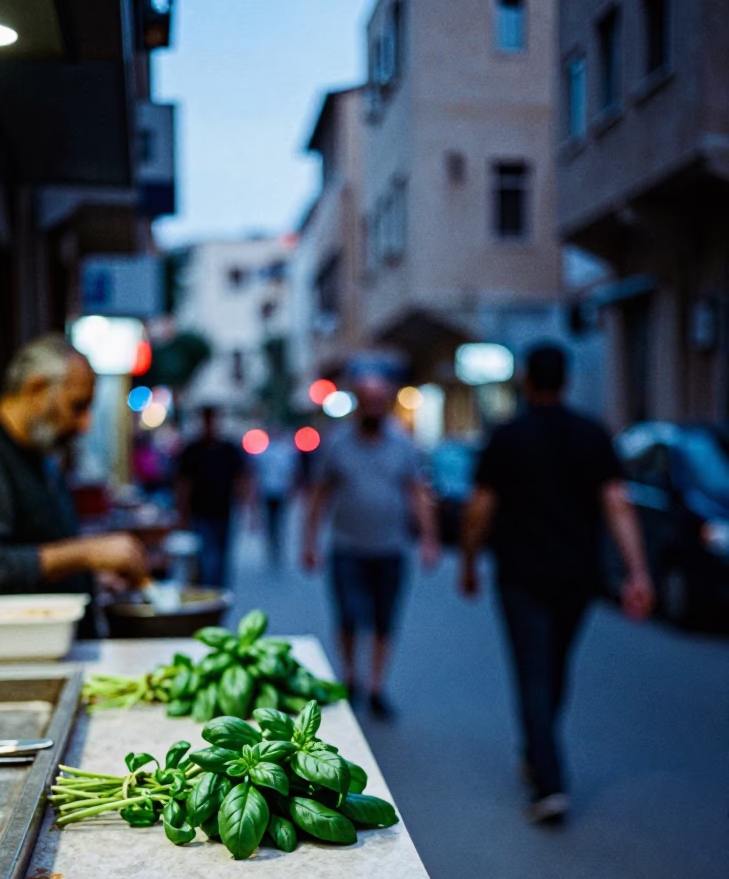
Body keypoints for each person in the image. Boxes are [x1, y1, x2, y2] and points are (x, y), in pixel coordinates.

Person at [458, 342, 654, 823]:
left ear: (526, 381)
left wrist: (467, 560)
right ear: (565, 381)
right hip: (576, 576)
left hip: (521, 575)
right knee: (555, 666)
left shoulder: (508, 436)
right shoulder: (591, 434)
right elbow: (617, 503)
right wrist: (638, 571)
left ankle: (548, 781)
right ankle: (539, 757)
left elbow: (480, 506)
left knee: (533, 671)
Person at [0, 334, 149, 633]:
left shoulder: (40, 455)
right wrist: (86, 553)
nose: (85, 425)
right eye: (77, 406)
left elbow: (43, 550)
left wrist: (88, 573)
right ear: (36, 388)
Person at [302, 353, 441, 718]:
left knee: (383, 619)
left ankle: (377, 686)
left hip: (390, 549)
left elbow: (416, 492)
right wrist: (309, 541)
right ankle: (351, 675)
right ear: (358, 403)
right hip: (347, 547)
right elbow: (319, 494)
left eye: (381, 400)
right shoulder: (337, 444)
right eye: (368, 401)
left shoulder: (403, 445)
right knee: (348, 616)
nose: (375, 406)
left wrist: (428, 538)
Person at [174, 406, 248, 587]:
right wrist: (182, 512)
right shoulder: (192, 450)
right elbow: (183, 484)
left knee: (222, 559)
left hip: (225, 512)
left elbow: (242, 478)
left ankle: (218, 595)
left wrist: (246, 506)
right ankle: (210, 595)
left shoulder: (228, 449)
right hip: (200, 513)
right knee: (207, 560)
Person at [254, 429, 299, 565]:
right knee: (271, 521)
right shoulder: (266, 453)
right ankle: (272, 543)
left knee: (278, 520)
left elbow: (291, 472)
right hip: (268, 491)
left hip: (280, 491)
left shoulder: (285, 451)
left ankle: (276, 543)